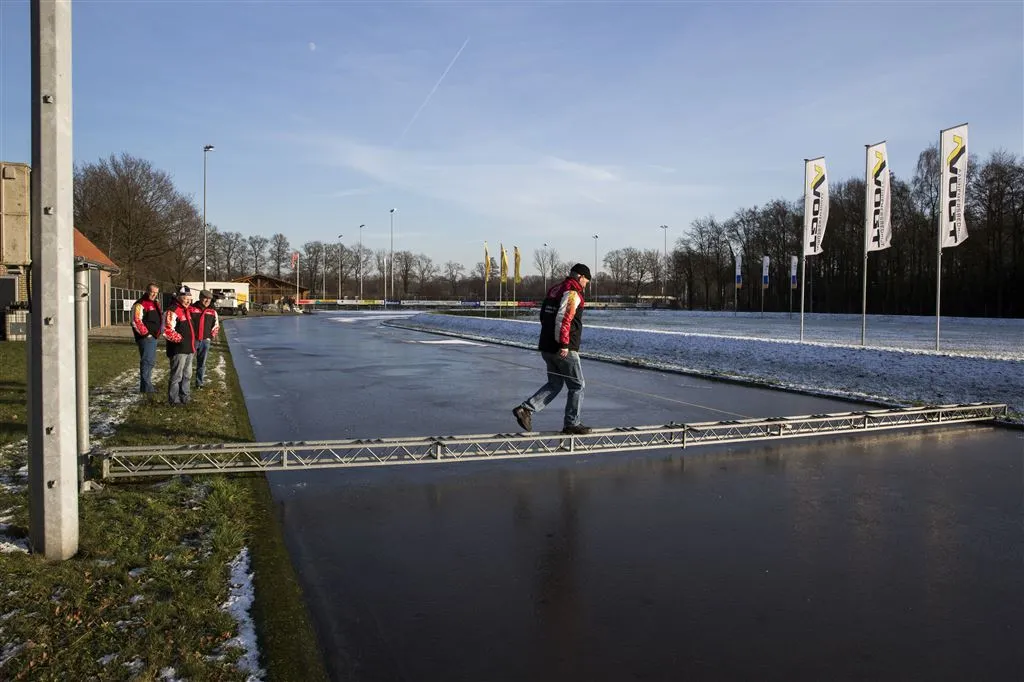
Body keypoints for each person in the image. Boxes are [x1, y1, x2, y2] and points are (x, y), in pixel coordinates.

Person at [513, 263, 593, 435]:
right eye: (586, 280)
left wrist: (551, 339)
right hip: (563, 347)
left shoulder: (555, 289)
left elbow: (543, 316)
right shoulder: (572, 292)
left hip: (547, 345)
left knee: (555, 383)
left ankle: (526, 409)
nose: (586, 284)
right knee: (577, 385)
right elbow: (564, 318)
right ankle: (572, 423)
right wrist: (564, 344)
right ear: (580, 277)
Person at [163, 285, 198, 406]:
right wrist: (181, 340)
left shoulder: (187, 310)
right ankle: (174, 400)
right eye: (185, 298)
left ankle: (185, 396)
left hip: (190, 349)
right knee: (177, 376)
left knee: (187, 375)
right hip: (178, 349)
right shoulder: (172, 311)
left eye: (190, 298)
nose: (188, 300)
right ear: (178, 297)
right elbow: (167, 330)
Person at [130, 282, 162, 395]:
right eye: (152, 292)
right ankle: (147, 389)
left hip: (153, 337)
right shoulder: (140, 304)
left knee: (150, 362)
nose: (154, 294)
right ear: (147, 291)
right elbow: (136, 321)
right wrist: (146, 334)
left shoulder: (154, 303)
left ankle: (146, 387)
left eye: (156, 293)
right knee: (147, 362)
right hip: (146, 338)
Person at [191, 289, 220, 389]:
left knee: (201, 363)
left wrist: (210, 337)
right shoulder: (192, 309)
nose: (207, 301)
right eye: (205, 298)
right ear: (200, 298)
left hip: (205, 341)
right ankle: (184, 383)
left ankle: (199, 383)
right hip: (193, 340)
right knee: (188, 363)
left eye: (209, 299)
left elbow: (216, 326)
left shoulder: (212, 311)